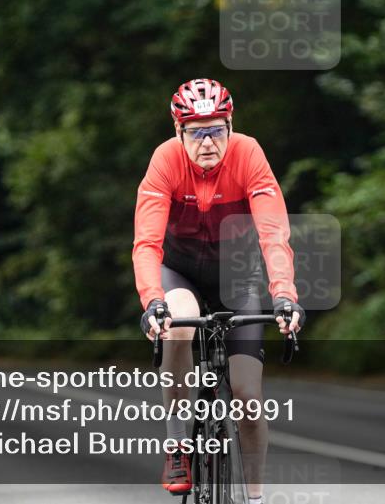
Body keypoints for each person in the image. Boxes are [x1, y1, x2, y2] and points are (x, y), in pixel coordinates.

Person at [133, 78, 304, 502]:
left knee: (247, 395)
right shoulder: (166, 161)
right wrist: (152, 300)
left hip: (236, 278)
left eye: (217, 129)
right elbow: (147, 243)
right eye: (197, 131)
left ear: (231, 126)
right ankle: (177, 444)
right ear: (179, 133)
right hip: (181, 273)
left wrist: (284, 294)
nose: (208, 141)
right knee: (177, 323)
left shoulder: (248, 154)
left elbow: (273, 234)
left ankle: (255, 497)